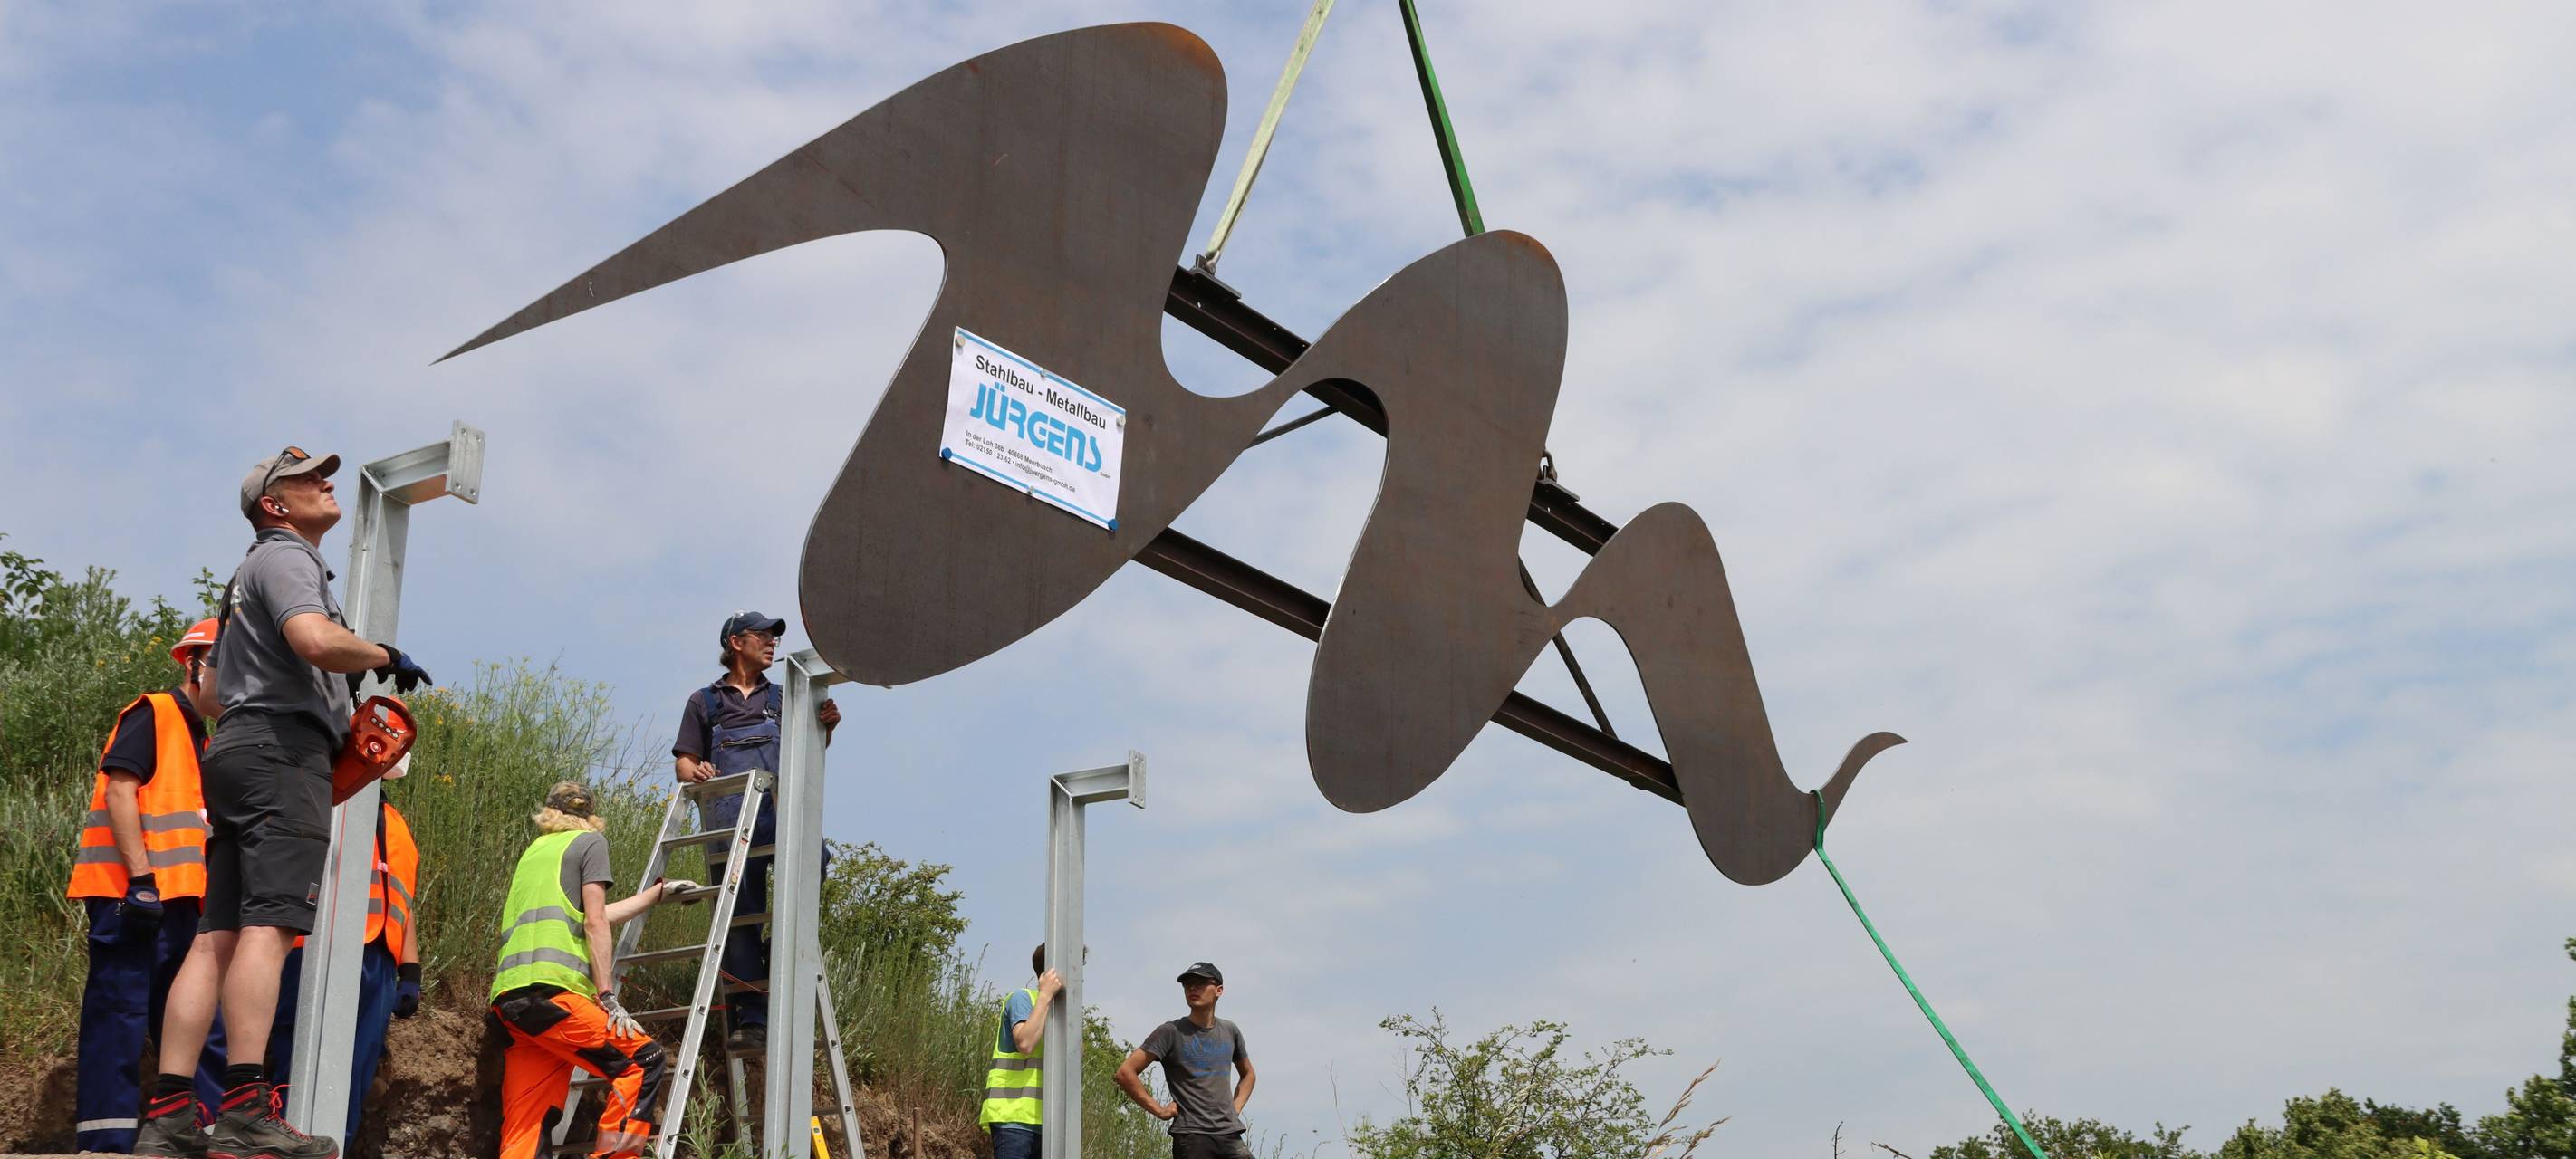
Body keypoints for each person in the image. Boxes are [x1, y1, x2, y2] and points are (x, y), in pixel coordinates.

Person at [138, 445, 435, 1159]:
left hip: (239, 749)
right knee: (268, 931)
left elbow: (251, 671)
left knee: (217, 939)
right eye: (306, 480)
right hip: (281, 756)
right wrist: (381, 655)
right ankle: (243, 1108)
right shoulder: (286, 558)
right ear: (274, 505)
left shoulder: (250, 575)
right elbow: (314, 639)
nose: (326, 484)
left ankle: (171, 1116)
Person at [66, 617, 228, 1152]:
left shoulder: (200, 735)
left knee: (192, 1017)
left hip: (181, 903)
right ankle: (106, 1139)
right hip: (130, 896)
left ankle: (201, 1129)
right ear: (195, 665)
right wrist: (140, 881)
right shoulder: (155, 713)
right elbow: (120, 791)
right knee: (120, 1012)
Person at [490, 782, 694, 1159]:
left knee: (527, 1124)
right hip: (555, 995)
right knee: (642, 1062)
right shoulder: (590, 843)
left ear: (549, 813)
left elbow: (586, 915)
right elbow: (595, 923)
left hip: (514, 1005)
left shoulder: (534, 853)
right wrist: (607, 997)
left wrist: (653, 896)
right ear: (591, 817)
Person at [668, 610, 838, 1054]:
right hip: (729, 822)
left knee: (813, 860)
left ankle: (779, 953)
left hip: (779, 814)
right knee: (739, 917)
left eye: (773, 637)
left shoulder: (785, 698)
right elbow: (684, 763)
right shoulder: (705, 702)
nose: (773, 643)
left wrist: (826, 726)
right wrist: (697, 770)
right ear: (736, 642)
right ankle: (753, 1016)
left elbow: (811, 749)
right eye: (763, 636)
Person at [268, 791, 422, 1145]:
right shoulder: (328, 799)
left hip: (378, 960)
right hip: (316, 949)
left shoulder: (396, 823)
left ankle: (337, 1146)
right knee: (298, 1061)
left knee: (356, 1072)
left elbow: (403, 900)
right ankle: (282, 1146)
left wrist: (410, 969)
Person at [1115, 963, 1259, 1159]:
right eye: (1188, 984)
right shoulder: (1170, 1032)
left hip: (1229, 1134)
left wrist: (1235, 1108)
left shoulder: (1230, 1031)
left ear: (1219, 990)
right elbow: (1125, 1073)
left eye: (1200, 983)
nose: (1192, 987)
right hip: (1192, 1136)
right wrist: (1159, 1110)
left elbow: (1248, 1074)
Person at [978, 943, 1066, 1159]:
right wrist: (1045, 995)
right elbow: (1025, 1043)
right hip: (1014, 1119)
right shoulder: (1023, 998)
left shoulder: (1061, 1012)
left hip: (1049, 1124)